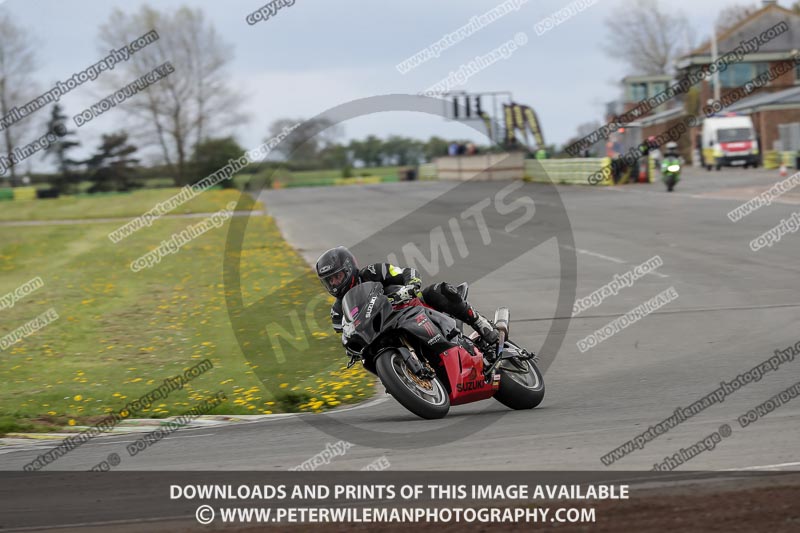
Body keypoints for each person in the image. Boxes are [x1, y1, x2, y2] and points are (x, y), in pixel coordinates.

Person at [315, 246, 499, 348]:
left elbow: (405, 272)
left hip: (413, 308)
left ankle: (480, 323)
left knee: (438, 290)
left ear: (348, 268)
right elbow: (346, 335)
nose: (334, 284)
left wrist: (411, 285)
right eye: (329, 281)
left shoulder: (373, 271)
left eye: (337, 277)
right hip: (385, 332)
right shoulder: (338, 312)